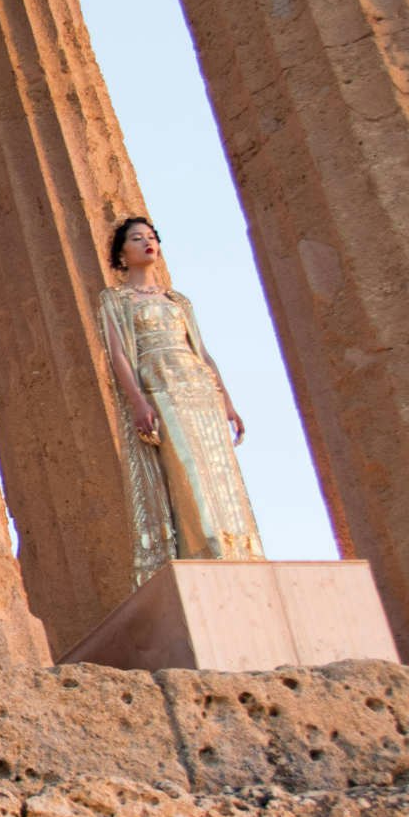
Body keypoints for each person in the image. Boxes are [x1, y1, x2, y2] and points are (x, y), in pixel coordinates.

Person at [97, 215, 265, 586]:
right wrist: (138, 401)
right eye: (137, 238)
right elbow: (119, 355)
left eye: (152, 236)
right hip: (160, 387)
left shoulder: (178, 300)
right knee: (185, 469)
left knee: (218, 471)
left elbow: (202, 350)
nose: (147, 242)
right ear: (121, 253)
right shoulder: (115, 300)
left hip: (199, 388)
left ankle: (237, 552)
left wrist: (228, 402)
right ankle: (203, 550)